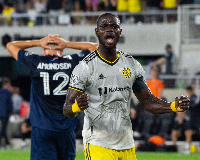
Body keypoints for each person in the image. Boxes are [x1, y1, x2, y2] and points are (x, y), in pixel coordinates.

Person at [63, 13, 190, 159]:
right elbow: (67, 109)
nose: (110, 30)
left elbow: (148, 101)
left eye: (114, 26)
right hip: (98, 144)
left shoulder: (131, 64)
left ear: (120, 32)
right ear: (97, 32)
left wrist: (174, 106)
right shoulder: (85, 67)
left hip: (126, 145)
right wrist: (76, 107)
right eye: (104, 27)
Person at [6, 35, 98, 160]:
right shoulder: (72, 62)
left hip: (42, 126)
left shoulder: (36, 62)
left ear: (44, 50)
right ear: (62, 50)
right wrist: (67, 43)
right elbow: (96, 48)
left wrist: (39, 42)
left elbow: (10, 45)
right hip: (66, 127)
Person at [0, 77, 13, 149]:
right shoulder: (8, 93)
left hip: (1, 112)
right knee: (3, 129)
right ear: (7, 84)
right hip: (5, 113)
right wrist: (10, 112)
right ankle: (6, 144)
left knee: (3, 128)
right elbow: (9, 104)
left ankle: (7, 144)